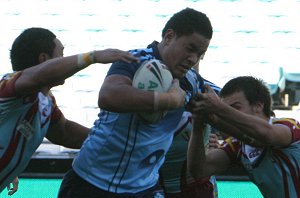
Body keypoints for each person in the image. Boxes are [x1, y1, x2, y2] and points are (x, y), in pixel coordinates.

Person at [58, 7, 220, 198]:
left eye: (200, 54)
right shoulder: (134, 59)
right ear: (169, 37)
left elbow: (220, 108)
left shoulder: (191, 81)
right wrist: (167, 100)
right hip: (92, 182)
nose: (193, 59)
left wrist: (221, 129)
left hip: (144, 188)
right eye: (190, 49)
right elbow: (109, 96)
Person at [0, 27, 139, 195]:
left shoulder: (45, 101)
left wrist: (114, 142)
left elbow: (64, 132)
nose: (65, 60)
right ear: (44, 59)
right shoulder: (9, 85)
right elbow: (37, 76)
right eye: (61, 54)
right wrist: (92, 57)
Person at [187, 76, 300, 198]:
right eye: (226, 108)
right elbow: (199, 170)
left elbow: (266, 136)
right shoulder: (237, 145)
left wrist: (219, 108)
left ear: (258, 105)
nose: (227, 113)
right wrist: (198, 127)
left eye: (235, 107)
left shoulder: (289, 125)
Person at [158, 63, 220, 198]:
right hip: (152, 187)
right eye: (189, 48)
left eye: (198, 52)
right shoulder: (149, 84)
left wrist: (220, 146)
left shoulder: (212, 93)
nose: (191, 57)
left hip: (201, 188)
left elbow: (239, 132)